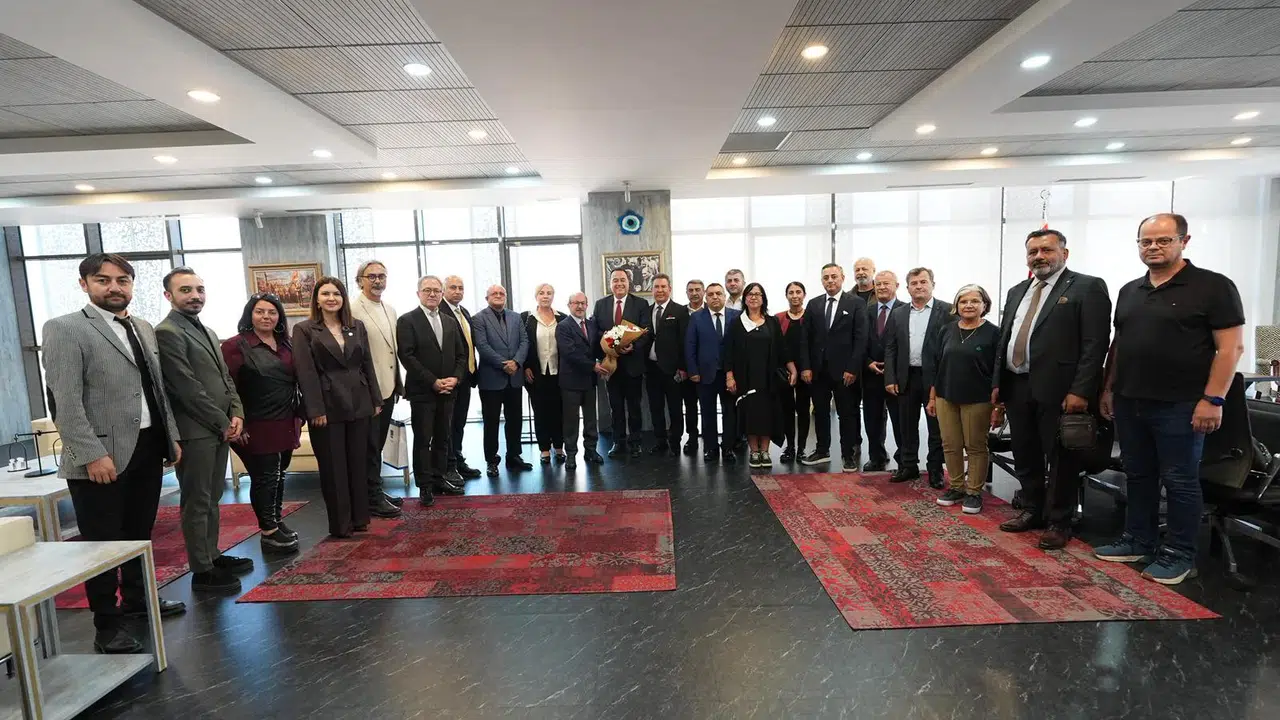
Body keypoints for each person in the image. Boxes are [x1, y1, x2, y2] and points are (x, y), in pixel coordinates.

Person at [43, 253, 186, 654]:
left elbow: (156, 389)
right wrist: (91, 453)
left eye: (122, 280)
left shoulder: (141, 327)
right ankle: (106, 625)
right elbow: (64, 402)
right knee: (102, 543)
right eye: (103, 280)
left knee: (139, 534)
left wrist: (170, 437)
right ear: (84, 284)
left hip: (147, 446)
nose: (114, 287)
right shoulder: (65, 328)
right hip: (100, 456)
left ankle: (139, 601)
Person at [1094, 213, 1245, 584]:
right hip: (1130, 400)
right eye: (1146, 241)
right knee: (1138, 475)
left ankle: (1180, 554)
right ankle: (1138, 540)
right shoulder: (1130, 290)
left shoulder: (1213, 287)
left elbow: (1230, 348)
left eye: (1163, 240)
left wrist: (1214, 400)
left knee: (1179, 480)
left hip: (1182, 404)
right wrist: (1109, 388)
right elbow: (1119, 344)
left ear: (1184, 241)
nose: (1153, 247)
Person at [993, 229, 1110, 550]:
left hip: (1062, 391)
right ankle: (1033, 509)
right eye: (1033, 252)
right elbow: (1005, 339)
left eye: (1046, 250)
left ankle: (1060, 521)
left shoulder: (1087, 287)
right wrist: (997, 385)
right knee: (1025, 452)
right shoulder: (1018, 290)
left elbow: (1095, 344)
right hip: (1017, 385)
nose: (1039, 257)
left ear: (1064, 254)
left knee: (1061, 458)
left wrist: (1081, 390)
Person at [155, 267, 251, 594]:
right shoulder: (167, 332)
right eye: (186, 290)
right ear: (168, 295)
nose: (195, 295)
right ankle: (201, 570)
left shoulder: (206, 330)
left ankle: (212, 555)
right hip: (195, 431)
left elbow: (225, 379)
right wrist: (222, 422)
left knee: (214, 496)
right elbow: (187, 389)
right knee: (197, 501)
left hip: (219, 427)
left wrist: (236, 413)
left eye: (199, 289)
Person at [293, 277, 383, 539]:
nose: (331, 298)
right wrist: (315, 409)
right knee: (334, 468)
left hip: (359, 402)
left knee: (358, 463)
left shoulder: (356, 326)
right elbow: (305, 372)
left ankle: (359, 518)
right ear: (317, 300)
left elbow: (367, 364)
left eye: (336, 294)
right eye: (325, 294)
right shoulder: (304, 329)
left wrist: (376, 399)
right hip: (327, 405)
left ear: (343, 298)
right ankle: (341, 524)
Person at [221, 293, 302, 555]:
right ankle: (268, 532)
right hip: (254, 423)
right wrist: (236, 423)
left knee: (279, 474)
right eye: (260, 311)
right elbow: (226, 387)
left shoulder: (287, 344)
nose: (266, 316)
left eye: (272, 312)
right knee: (264, 477)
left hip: (286, 420)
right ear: (250, 315)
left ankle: (276, 521)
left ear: (279, 316)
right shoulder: (235, 346)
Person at [926, 285, 1002, 514]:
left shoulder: (994, 333)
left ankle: (974, 492)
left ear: (984, 305)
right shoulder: (947, 330)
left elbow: (999, 371)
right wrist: (932, 397)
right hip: (945, 395)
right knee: (950, 444)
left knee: (975, 445)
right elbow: (937, 365)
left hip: (978, 398)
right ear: (956, 306)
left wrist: (999, 406)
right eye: (963, 301)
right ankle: (957, 487)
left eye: (974, 301)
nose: (968, 305)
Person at [397, 276, 467, 506]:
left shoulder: (449, 321)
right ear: (418, 293)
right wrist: (433, 381)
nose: (432, 294)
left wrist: (456, 378)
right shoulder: (407, 320)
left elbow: (461, 355)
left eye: (436, 290)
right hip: (422, 392)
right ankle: (425, 485)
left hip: (448, 391)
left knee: (443, 438)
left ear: (441, 293)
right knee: (423, 439)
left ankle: (439, 478)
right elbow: (407, 356)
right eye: (427, 290)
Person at [884, 268, 952, 488]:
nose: (919, 286)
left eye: (923, 282)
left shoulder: (948, 311)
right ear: (907, 288)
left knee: (936, 426)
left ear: (933, 284)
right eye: (914, 283)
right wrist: (890, 377)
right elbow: (891, 347)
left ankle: (935, 469)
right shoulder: (898, 313)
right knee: (906, 425)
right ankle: (909, 465)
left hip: (935, 378)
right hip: (907, 376)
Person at [348, 260, 404, 518]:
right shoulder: (352, 310)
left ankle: (375, 489)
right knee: (369, 447)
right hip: (367, 391)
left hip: (388, 387)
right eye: (371, 276)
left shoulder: (389, 309)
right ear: (360, 280)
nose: (377, 280)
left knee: (377, 445)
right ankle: (370, 497)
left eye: (382, 276)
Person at [801, 263, 869, 472]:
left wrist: (853, 368)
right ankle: (822, 450)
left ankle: (848, 455)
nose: (830, 280)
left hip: (845, 371)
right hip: (818, 371)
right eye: (826, 277)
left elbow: (861, 338)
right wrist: (806, 367)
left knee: (846, 414)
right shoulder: (813, 304)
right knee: (820, 412)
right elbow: (805, 339)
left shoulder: (856, 303)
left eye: (834, 276)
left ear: (842, 278)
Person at [727, 283, 797, 469]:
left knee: (767, 414)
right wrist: (729, 376)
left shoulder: (772, 322)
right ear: (745, 298)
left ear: (763, 298)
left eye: (758, 294)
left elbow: (782, 349)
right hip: (746, 378)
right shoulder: (736, 323)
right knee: (750, 414)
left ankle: (765, 451)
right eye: (750, 294)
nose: (754, 297)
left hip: (768, 378)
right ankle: (754, 451)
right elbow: (728, 352)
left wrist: (793, 369)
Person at [472, 284, 532, 477]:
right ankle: (491, 460)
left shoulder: (516, 317)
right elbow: (482, 345)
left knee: (515, 420)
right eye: (494, 293)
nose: (498, 296)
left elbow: (524, 341)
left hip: (514, 377)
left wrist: (517, 362)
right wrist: (504, 364)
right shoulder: (478, 318)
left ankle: (514, 456)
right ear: (487, 298)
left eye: (501, 293)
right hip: (491, 378)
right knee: (491, 422)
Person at [593, 269, 651, 458]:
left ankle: (635, 442)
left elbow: (646, 331)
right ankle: (618, 442)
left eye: (623, 280)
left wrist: (633, 346)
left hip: (633, 365)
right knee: (615, 407)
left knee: (634, 407)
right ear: (610, 283)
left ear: (629, 282)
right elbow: (595, 330)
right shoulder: (600, 304)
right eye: (615, 280)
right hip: (611, 366)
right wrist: (607, 339)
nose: (619, 283)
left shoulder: (640, 304)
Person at [686, 283, 739, 464]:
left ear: (724, 296)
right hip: (705, 374)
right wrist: (693, 370)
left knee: (730, 412)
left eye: (718, 293)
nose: (715, 297)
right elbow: (690, 345)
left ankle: (728, 448)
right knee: (707, 413)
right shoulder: (696, 317)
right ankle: (710, 448)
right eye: (710, 294)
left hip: (730, 374)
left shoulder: (736, 316)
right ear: (706, 298)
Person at [557, 292, 607, 469]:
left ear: (587, 305)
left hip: (589, 380)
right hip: (571, 381)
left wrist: (610, 353)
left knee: (591, 418)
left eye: (582, 303)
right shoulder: (563, 326)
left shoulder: (592, 325)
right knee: (571, 421)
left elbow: (598, 348)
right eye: (575, 303)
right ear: (569, 305)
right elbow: (570, 353)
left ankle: (591, 450)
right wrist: (593, 366)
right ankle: (571, 454)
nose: (579, 306)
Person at [441, 275, 481, 482]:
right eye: (453, 287)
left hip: (465, 377)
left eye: (461, 288)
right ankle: (447, 467)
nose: (457, 291)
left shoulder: (463, 311)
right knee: (447, 425)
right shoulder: (439, 311)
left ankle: (457, 459)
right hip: (449, 378)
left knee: (459, 423)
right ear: (443, 290)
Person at [644, 274, 690, 456]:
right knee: (655, 407)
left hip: (673, 369)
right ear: (652, 290)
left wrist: (683, 367)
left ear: (669, 289)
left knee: (675, 408)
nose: (660, 290)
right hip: (651, 368)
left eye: (663, 286)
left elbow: (684, 341)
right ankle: (660, 441)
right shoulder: (647, 311)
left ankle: (675, 441)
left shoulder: (680, 311)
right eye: (656, 287)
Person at [522, 283, 567, 464]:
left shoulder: (562, 318)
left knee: (558, 410)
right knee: (540, 411)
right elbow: (523, 345)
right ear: (536, 296)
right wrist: (525, 366)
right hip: (535, 372)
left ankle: (559, 446)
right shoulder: (527, 319)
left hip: (559, 372)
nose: (545, 296)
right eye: (541, 293)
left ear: (553, 296)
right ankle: (544, 449)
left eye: (549, 293)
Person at [864, 271, 904, 472]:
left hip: (896, 375)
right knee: (872, 419)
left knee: (900, 419)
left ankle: (904, 459)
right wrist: (868, 362)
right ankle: (876, 457)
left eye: (886, 283)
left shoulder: (906, 310)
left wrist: (892, 365)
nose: (881, 287)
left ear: (896, 285)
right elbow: (858, 340)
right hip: (871, 373)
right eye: (878, 284)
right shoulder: (866, 311)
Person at [777, 281, 811, 463]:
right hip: (785, 372)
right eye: (791, 292)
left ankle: (802, 448)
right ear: (786, 296)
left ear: (804, 295)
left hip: (807, 371)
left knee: (803, 410)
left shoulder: (811, 317)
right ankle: (790, 446)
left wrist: (807, 368)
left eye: (798, 292)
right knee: (787, 410)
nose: (795, 295)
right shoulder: (778, 318)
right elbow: (777, 347)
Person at [681, 279, 706, 456]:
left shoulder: (711, 311)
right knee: (690, 406)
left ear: (703, 292)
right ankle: (692, 437)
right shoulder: (680, 313)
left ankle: (710, 438)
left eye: (698, 290)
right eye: (691, 290)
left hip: (707, 368)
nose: (694, 293)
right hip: (686, 369)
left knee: (707, 406)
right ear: (686, 293)